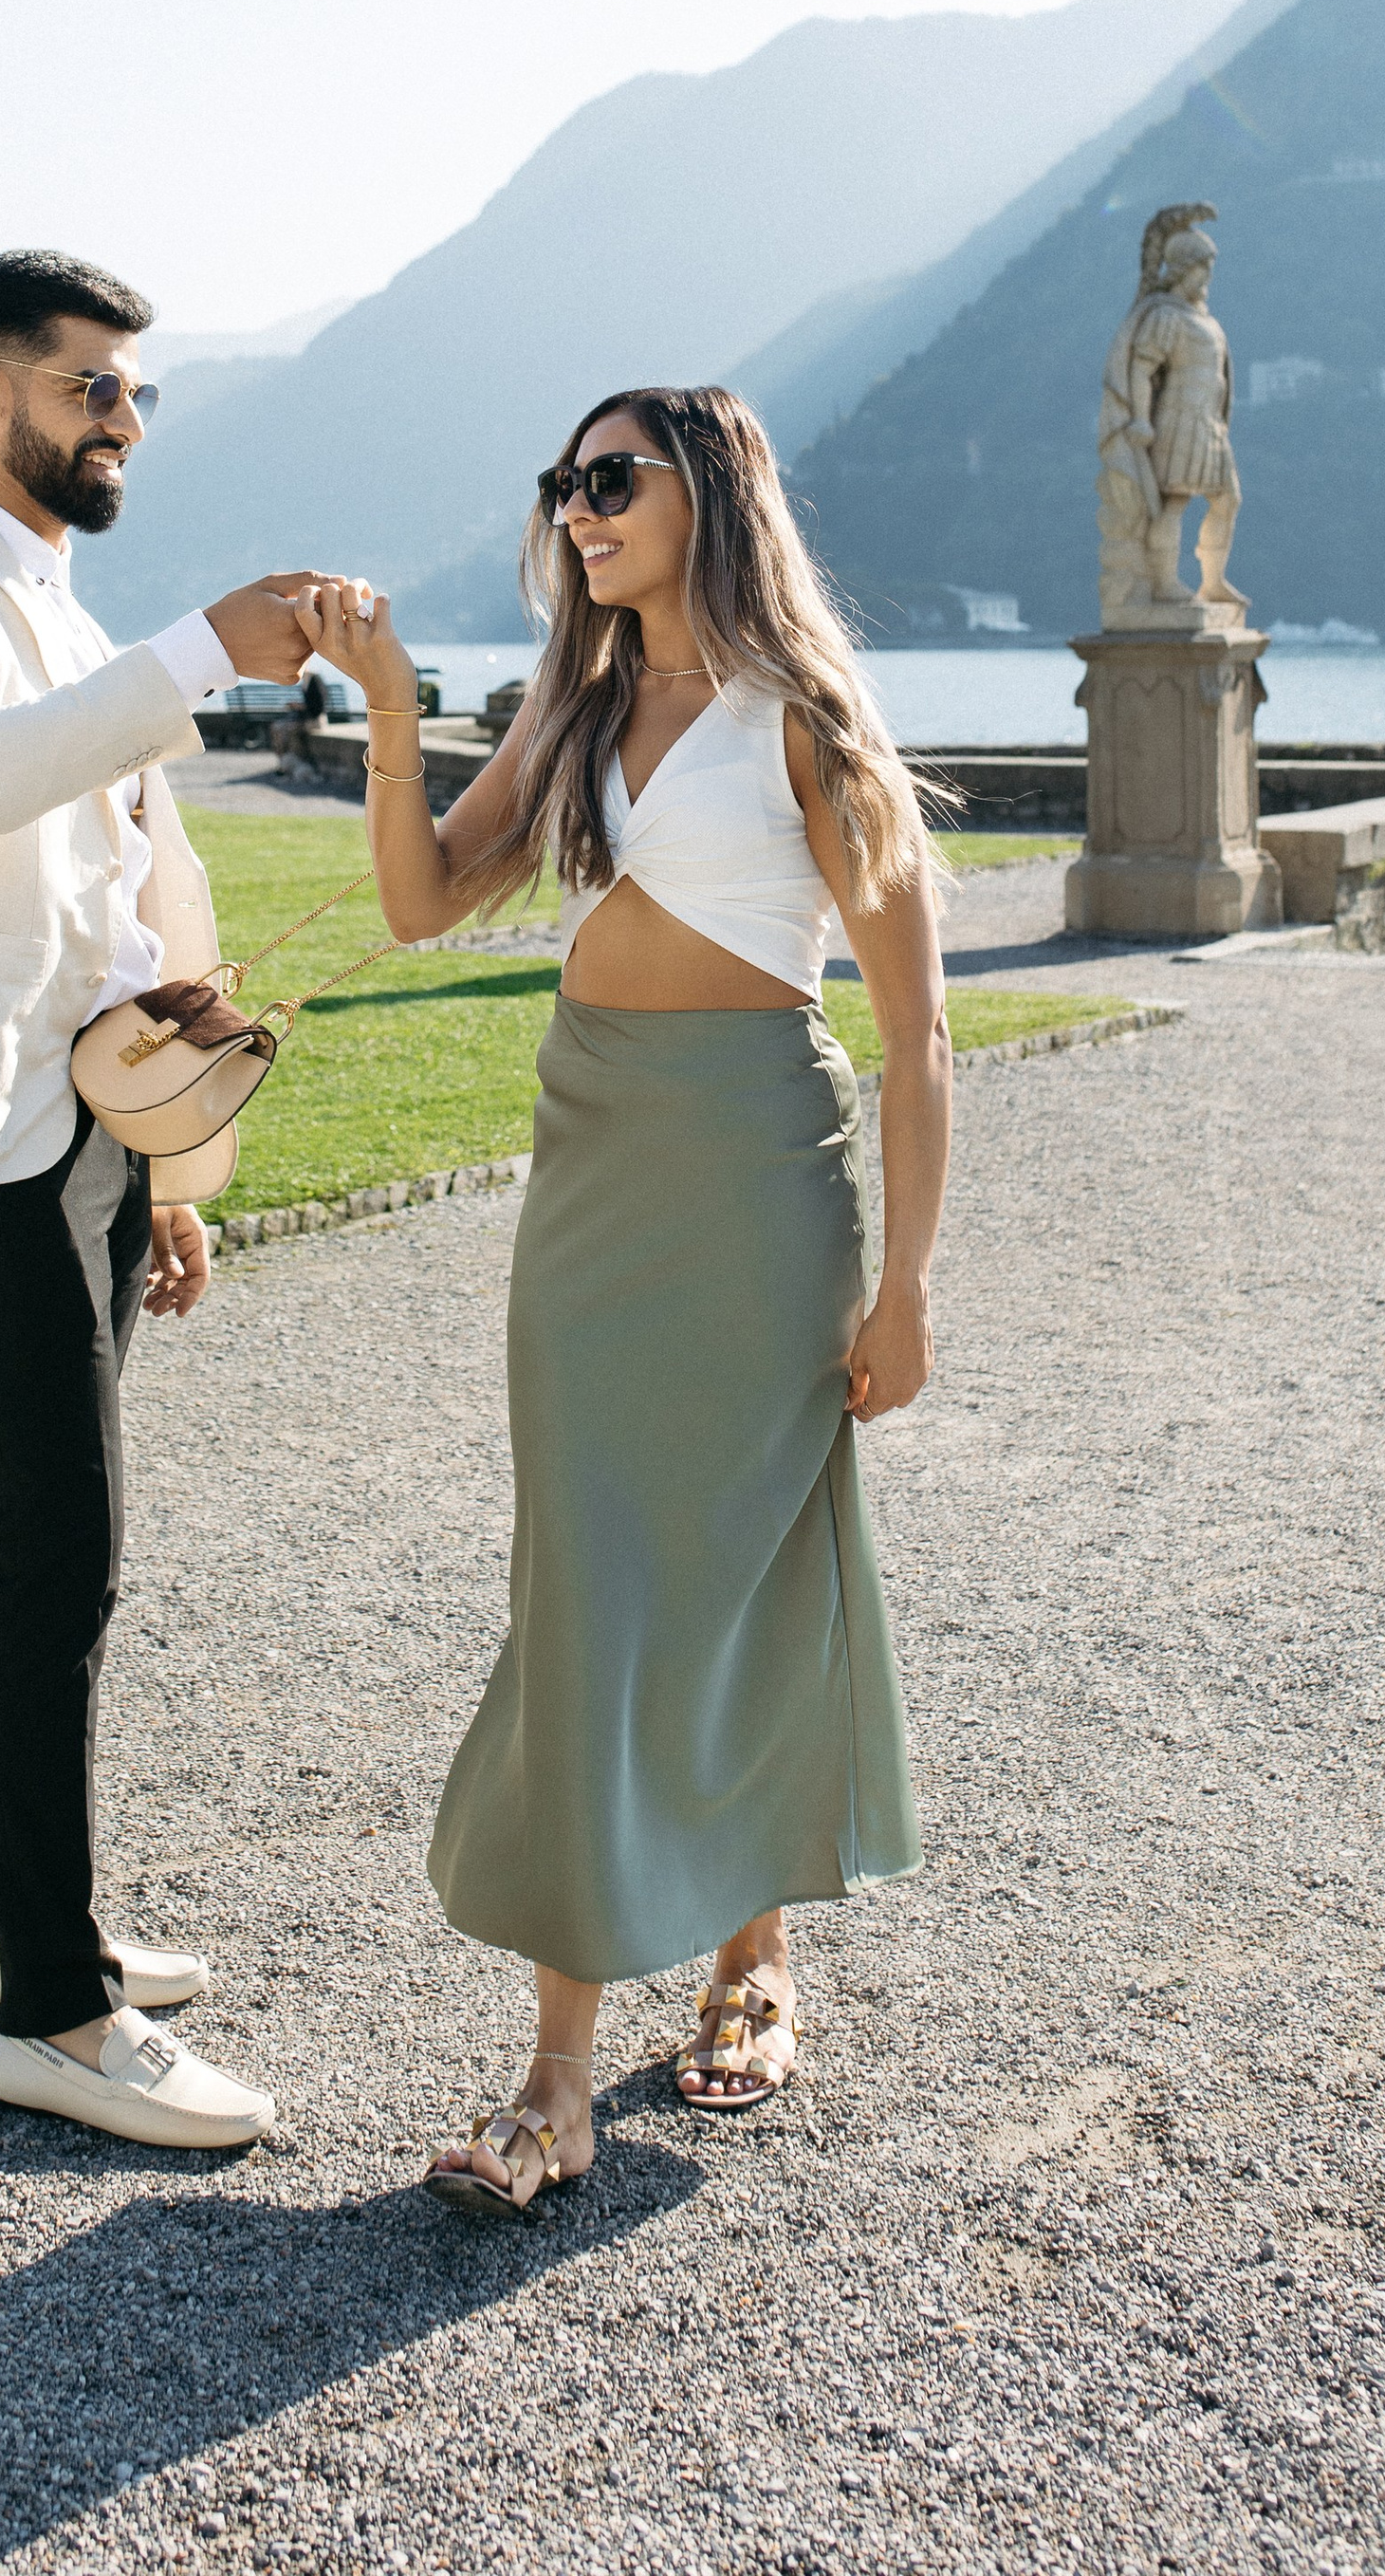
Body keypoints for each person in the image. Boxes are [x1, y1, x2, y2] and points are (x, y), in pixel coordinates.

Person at [298, 382, 951, 2215]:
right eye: (562, 486)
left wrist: (907, 1286)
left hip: (760, 1184)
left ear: (708, 493)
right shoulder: (573, 712)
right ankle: (560, 2072)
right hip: (594, 1176)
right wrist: (403, 714)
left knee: (743, 1569)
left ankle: (752, 1961)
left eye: (611, 479)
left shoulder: (812, 725)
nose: (578, 510)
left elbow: (917, 1039)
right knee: (587, 1591)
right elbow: (427, 903)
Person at [0, 247, 343, 2154]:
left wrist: (166, 1165)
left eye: (135, 393)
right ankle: (58, 2007)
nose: (122, 418)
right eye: (89, 386)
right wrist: (200, 650)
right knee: (67, 1556)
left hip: (86, 1128)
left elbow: (109, 897)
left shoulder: (49, 599)